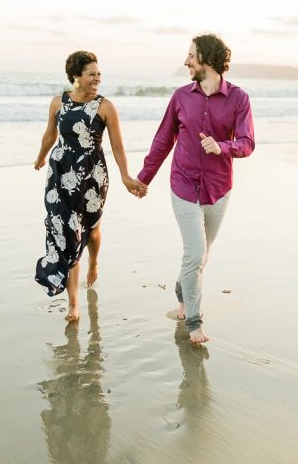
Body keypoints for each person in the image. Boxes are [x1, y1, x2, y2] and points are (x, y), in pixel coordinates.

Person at [137, 34, 255, 344]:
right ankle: (194, 321)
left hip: (218, 187)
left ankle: (181, 291)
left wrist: (222, 146)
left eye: (191, 55)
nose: (186, 61)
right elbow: (164, 139)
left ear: (208, 59)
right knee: (196, 252)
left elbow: (247, 143)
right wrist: (144, 178)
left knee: (200, 256)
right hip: (183, 184)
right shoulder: (180, 97)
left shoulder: (239, 99)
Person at [34, 51, 147, 321]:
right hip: (60, 173)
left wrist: (125, 176)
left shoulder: (105, 107)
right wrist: (40, 157)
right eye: (91, 74)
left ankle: (93, 262)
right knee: (65, 231)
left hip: (92, 175)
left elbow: (117, 146)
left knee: (91, 229)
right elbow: (50, 134)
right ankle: (73, 304)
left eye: (99, 74)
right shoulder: (57, 103)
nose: (97, 78)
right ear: (76, 76)